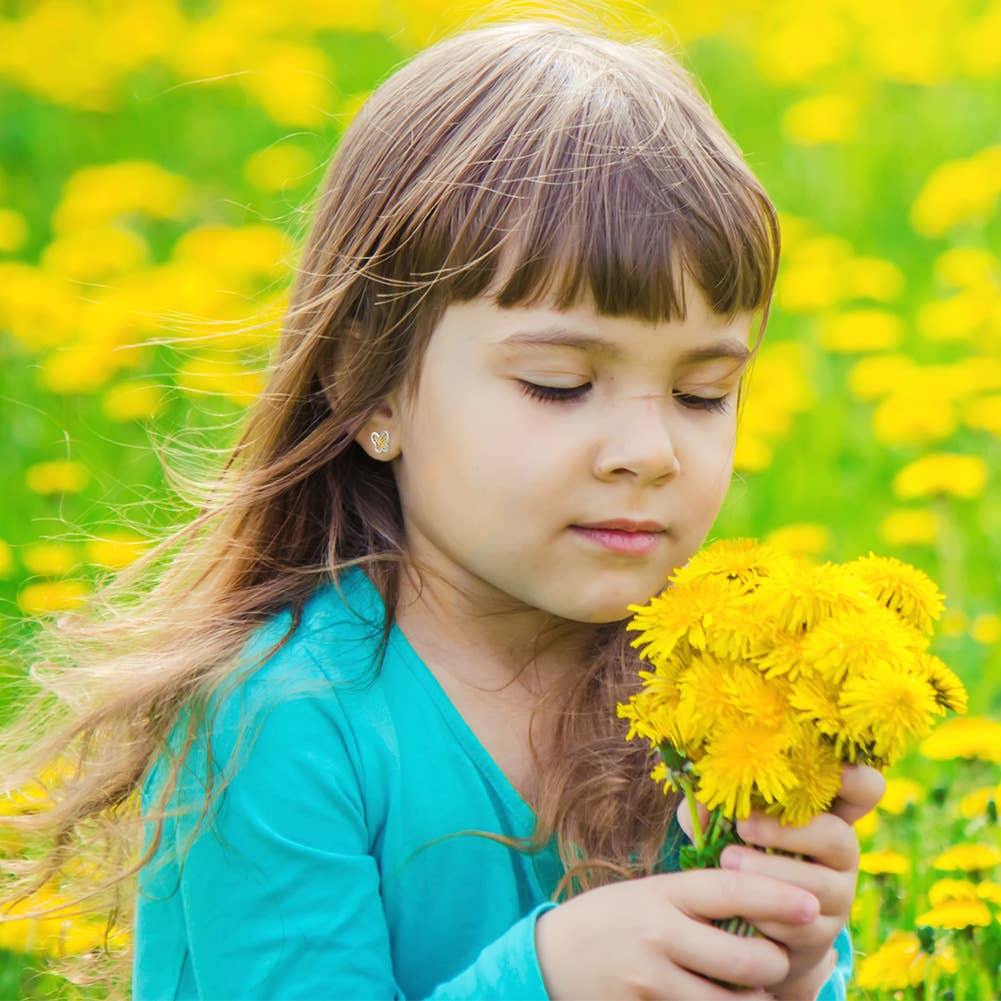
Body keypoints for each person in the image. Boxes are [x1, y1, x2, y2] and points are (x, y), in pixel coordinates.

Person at [0, 11, 885, 1001]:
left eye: (701, 392)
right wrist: (547, 978)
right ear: (369, 387)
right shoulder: (280, 723)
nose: (649, 450)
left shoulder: (697, 695)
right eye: (557, 383)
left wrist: (789, 959)